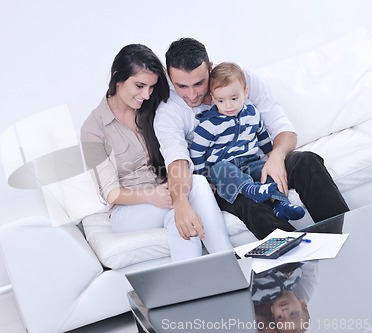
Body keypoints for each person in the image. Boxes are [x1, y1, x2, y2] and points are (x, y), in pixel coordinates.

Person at [154, 37, 349, 239]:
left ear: (210, 68)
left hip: (255, 163)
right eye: (182, 86)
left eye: (199, 83)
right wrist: (181, 203)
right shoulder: (168, 112)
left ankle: (341, 239)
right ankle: (297, 257)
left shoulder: (237, 79)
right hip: (222, 178)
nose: (192, 94)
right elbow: (177, 162)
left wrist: (276, 157)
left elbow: (283, 128)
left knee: (306, 161)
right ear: (169, 77)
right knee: (249, 201)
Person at [80, 44, 232, 262]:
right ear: (117, 78)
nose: (146, 94)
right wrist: (151, 196)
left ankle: (192, 289)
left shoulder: (154, 107)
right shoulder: (93, 129)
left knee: (178, 218)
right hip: (130, 211)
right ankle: (230, 265)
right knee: (196, 186)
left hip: (168, 192)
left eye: (151, 87)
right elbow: (110, 193)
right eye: (139, 86)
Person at [190, 62, 305, 222]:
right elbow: (196, 152)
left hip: (250, 162)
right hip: (221, 167)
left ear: (245, 92)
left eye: (234, 98)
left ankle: (281, 204)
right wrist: (204, 177)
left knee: (267, 171)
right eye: (220, 101)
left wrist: (272, 155)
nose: (228, 105)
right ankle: (249, 188)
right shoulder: (209, 125)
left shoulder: (252, 113)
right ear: (213, 98)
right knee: (223, 169)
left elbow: (262, 135)